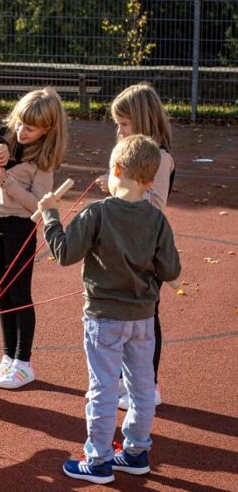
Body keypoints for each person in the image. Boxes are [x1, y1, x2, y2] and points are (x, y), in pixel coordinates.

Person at [39, 134, 181, 484]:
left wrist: (50, 216)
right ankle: (135, 451)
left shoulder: (98, 212)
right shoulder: (156, 218)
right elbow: (171, 269)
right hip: (143, 318)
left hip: (104, 317)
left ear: (116, 169)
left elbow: (65, 253)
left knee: (103, 387)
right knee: (142, 386)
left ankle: (99, 458)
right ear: (150, 179)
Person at [0, 88, 68, 389]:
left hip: (20, 227)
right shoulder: (9, 134)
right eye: (19, 123)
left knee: (19, 294)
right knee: (0, 293)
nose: (21, 131)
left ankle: (24, 362)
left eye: (30, 128)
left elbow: (38, 203)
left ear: (46, 129)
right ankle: (8, 357)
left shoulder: (44, 160)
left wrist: (5, 179)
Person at [98, 83, 175, 409]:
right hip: (122, 247)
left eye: (124, 124)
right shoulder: (129, 156)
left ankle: (148, 385)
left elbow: (155, 205)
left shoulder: (159, 158)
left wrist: (119, 188)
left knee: (145, 319)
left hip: (145, 250)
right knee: (120, 315)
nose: (119, 130)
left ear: (142, 121)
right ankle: (119, 381)